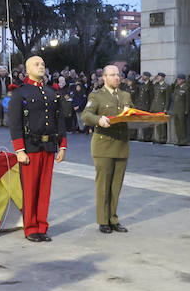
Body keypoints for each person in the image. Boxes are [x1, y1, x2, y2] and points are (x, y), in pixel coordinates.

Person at [7, 55, 67, 241]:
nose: (41, 66)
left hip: (49, 145)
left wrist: (62, 146)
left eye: (43, 63)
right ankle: (31, 228)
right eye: (36, 64)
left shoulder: (51, 92)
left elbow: (59, 120)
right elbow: (15, 123)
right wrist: (19, 150)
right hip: (30, 146)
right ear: (27, 69)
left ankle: (42, 226)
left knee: (44, 189)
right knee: (31, 189)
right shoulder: (20, 93)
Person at [81, 65, 134, 233]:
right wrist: (98, 120)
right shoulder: (96, 96)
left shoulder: (125, 95)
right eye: (112, 75)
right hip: (103, 145)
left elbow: (132, 114)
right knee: (104, 185)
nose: (117, 78)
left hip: (121, 145)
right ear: (104, 77)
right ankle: (103, 220)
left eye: (118, 75)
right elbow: (86, 115)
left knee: (116, 185)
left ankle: (113, 218)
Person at [168, 74, 190, 146]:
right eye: (177, 79)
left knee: (182, 125)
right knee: (177, 125)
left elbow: (188, 100)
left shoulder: (186, 88)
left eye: (179, 79)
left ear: (183, 80)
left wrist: (186, 110)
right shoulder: (176, 88)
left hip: (182, 109)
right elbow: (171, 90)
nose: (178, 81)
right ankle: (179, 139)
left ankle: (183, 140)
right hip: (176, 109)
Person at [147, 73, 170, 144]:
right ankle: (158, 137)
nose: (158, 78)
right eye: (158, 77)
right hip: (155, 106)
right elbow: (149, 88)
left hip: (161, 107)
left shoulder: (166, 86)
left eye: (159, 77)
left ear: (163, 78)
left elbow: (167, 98)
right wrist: (153, 79)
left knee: (162, 124)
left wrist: (165, 108)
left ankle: (163, 138)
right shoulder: (156, 85)